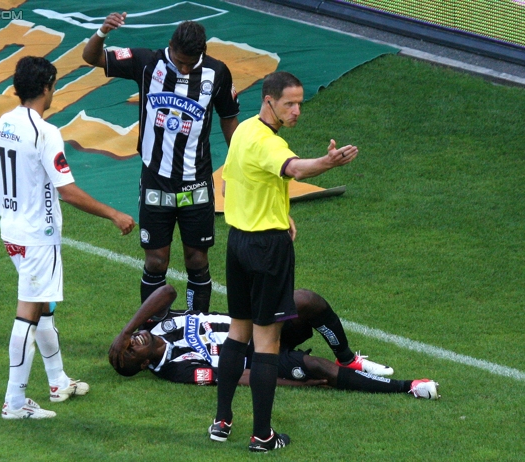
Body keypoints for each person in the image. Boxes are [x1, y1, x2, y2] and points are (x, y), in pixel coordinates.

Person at [213, 71, 360, 451]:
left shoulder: (243, 131)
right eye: (289, 104)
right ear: (269, 101)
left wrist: (278, 210)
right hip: (267, 251)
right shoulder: (268, 143)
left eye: (299, 103)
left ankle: (221, 420)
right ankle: (263, 435)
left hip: (238, 242)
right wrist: (329, 163)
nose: (297, 111)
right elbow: (294, 169)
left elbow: (230, 184)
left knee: (237, 332)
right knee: (266, 342)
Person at [0, 56, 136, 420]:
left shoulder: (3, 123)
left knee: (43, 307)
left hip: (12, 229)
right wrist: (114, 214)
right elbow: (67, 191)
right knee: (28, 312)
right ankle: (14, 402)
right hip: (37, 235)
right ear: (47, 87)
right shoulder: (45, 132)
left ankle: (57, 381)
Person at [82, 13, 240, 314]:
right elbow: (91, 57)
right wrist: (102, 31)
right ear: (170, 45)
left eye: (190, 63)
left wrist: (238, 165)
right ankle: (154, 328)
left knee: (197, 259)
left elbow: (229, 120)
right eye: (179, 61)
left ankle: (197, 324)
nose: (183, 68)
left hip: (197, 181)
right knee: (156, 260)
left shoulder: (217, 73)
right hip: (156, 179)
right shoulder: (146, 62)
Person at [108, 285, 440, 402]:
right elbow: (233, 377)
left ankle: (348, 357)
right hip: (259, 355)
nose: (134, 341)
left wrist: (126, 330)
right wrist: (288, 379)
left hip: (261, 323)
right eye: (131, 349)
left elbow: (167, 292)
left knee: (306, 300)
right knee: (317, 369)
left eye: (129, 340)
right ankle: (406, 387)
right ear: (141, 365)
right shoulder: (175, 370)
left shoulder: (154, 325)